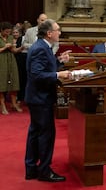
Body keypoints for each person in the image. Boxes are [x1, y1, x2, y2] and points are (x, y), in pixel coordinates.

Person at [25, 19, 71, 182]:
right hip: (40, 99)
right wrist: (58, 75)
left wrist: (59, 62)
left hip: (37, 97)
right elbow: (37, 75)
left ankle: (31, 168)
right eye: (58, 30)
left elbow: (44, 68)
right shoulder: (40, 48)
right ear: (49, 33)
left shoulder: (43, 46)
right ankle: (44, 171)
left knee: (35, 132)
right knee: (45, 134)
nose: (60, 32)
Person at [0, 22, 21, 114]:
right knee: (2, 83)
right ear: (1, 30)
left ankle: (14, 104)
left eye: (9, 32)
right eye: (6, 32)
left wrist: (21, 48)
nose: (8, 34)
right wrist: (4, 47)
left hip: (11, 61)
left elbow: (13, 51)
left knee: (14, 82)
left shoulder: (10, 38)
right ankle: (3, 105)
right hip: (1, 61)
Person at [12, 26, 27, 102]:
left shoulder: (21, 39)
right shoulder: (11, 39)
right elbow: (14, 50)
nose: (15, 34)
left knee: (23, 78)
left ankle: (22, 96)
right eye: (14, 32)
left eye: (16, 32)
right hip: (14, 59)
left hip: (22, 60)